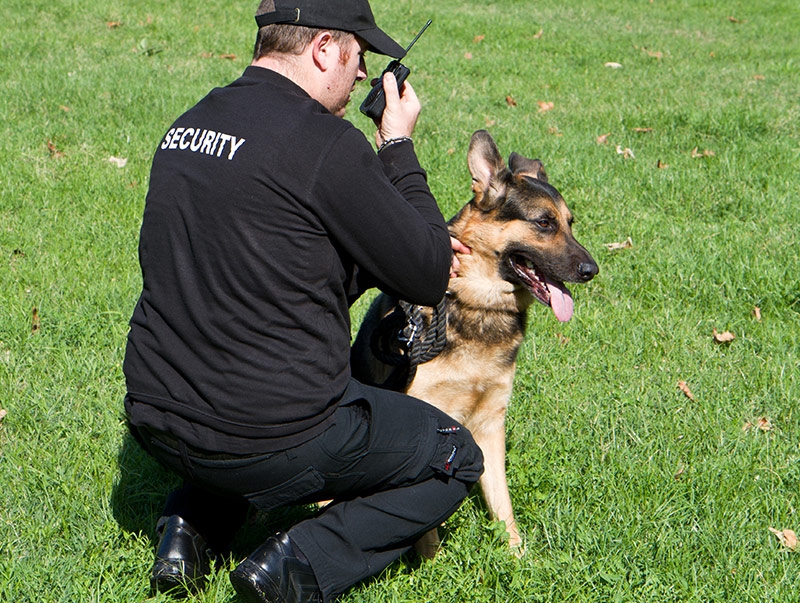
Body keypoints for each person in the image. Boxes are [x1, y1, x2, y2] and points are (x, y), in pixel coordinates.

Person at [122, 1, 483, 602]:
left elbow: (266, 266)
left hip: (157, 415)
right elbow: (426, 272)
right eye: (359, 56)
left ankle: (188, 528)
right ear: (324, 50)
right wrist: (396, 147)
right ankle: (291, 567)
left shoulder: (188, 125)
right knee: (453, 456)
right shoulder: (324, 144)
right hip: (269, 434)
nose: (364, 75)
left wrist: (368, 256)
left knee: (239, 407)